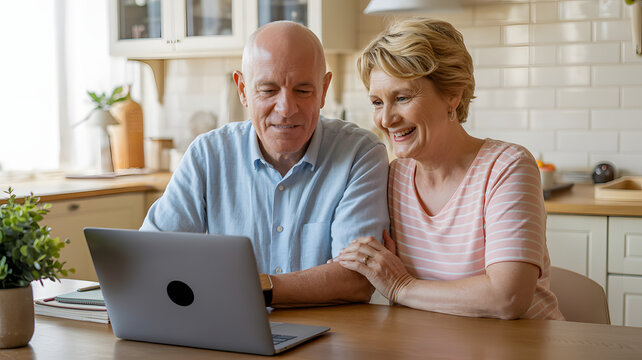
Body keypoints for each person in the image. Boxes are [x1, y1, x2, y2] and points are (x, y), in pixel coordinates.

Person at [141, 21, 390, 307]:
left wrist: (253, 286)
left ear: (324, 89)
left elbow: (357, 280)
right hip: (228, 334)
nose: (286, 109)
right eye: (269, 90)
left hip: (330, 340)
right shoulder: (207, 154)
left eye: (303, 90)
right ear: (243, 89)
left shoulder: (361, 154)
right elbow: (152, 256)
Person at [335, 18, 564, 320]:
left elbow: (507, 298)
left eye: (402, 98)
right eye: (377, 102)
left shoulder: (506, 167)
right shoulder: (392, 178)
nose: (386, 119)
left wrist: (401, 287)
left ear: (453, 95)